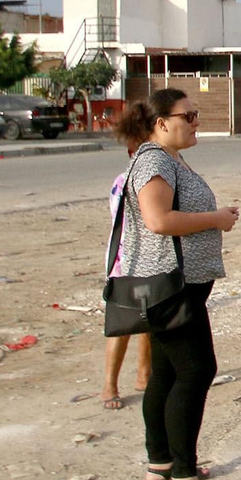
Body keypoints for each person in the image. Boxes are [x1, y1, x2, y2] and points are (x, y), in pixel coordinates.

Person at [113, 89, 240, 480]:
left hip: (179, 284)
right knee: (196, 370)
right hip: (169, 286)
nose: (196, 121)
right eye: (189, 115)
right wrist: (216, 219)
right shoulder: (153, 160)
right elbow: (158, 220)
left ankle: (160, 461)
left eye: (196, 114)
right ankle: (182, 476)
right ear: (161, 122)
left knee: (166, 374)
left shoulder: (169, 158)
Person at [100, 160, 150, 410]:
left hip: (149, 263)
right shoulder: (129, 181)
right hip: (127, 262)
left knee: (149, 320)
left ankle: (144, 374)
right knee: (123, 325)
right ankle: (110, 385)